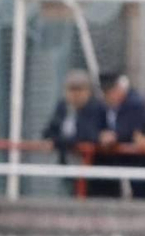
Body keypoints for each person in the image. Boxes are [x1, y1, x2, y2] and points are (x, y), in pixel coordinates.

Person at [42, 70, 103, 198]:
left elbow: (87, 136)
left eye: (79, 90)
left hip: (92, 169)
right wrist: (60, 140)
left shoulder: (96, 108)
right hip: (68, 163)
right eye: (71, 90)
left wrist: (58, 142)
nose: (75, 95)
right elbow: (48, 132)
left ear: (88, 91)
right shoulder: (63, 107)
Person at [95, 73, 145, 199]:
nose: (108, 96)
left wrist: (115, 136)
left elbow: (133, 130)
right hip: (115, 160)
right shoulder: (105, 107)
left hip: (138, 161)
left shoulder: (135, 103)